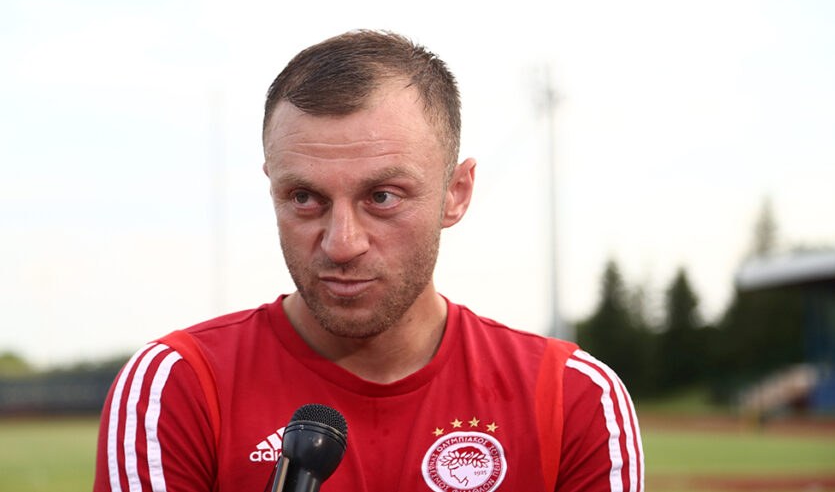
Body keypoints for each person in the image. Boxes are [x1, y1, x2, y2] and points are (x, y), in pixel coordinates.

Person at [94, 30, 644, 492]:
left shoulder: (571, 397)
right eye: (304, 197)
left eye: (382, 196)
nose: (342, 243)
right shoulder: (176, 387)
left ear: (456, 193)